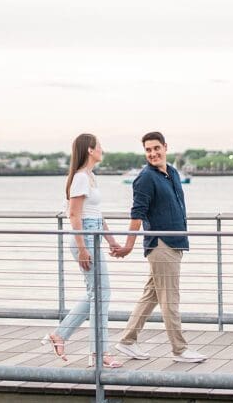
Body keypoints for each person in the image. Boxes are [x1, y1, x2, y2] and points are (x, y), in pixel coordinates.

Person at [110, 131, 206, 363]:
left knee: (152, 295)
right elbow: (137, 214)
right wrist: (129, 245)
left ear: (165, 147)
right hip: (160, 244)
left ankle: (127, 341)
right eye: (148, 150)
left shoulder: (171, 172)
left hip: (176, 242)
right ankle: (179, 350)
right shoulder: (145, 178)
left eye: (156, 148)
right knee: (170, 298)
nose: (152, 153)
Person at [41, 133, 122, 367]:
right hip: (85, 239)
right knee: (102, 294)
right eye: (99, 146)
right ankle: (99, 353)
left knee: (96, 294)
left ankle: (60, 335)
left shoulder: (90, 176)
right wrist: (82, 247)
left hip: (93, 235)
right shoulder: (80, 178)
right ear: (90, 150)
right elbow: (74, 215)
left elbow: (96, 215)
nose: (102, 149)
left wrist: (111, 241)